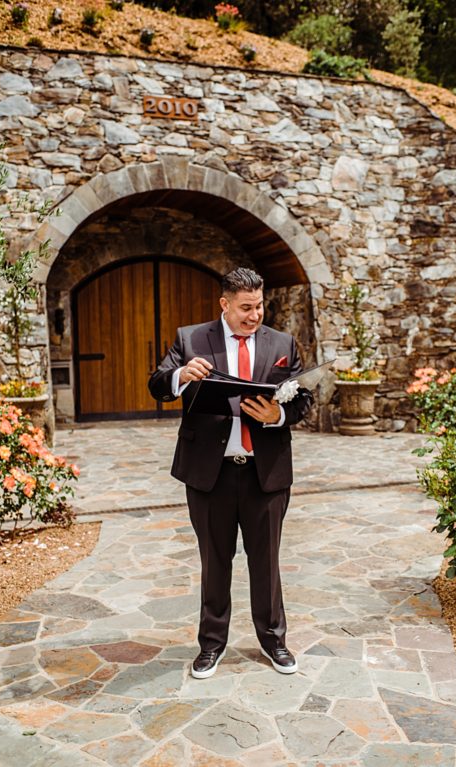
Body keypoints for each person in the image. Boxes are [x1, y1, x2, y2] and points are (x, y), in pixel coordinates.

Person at [149, 267, 313, 679]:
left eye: (259, 306)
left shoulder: (283, 344)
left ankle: (274, 641)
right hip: (210, 475)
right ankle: (211, 645)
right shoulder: (190, 340)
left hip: (266, 475)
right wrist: (180, 376)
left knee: (267, 563)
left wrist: (278, 415)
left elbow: (303, 399)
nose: (254, 315)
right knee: (215, 562)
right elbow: (157, 383)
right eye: (245, 308)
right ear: (224, 304)